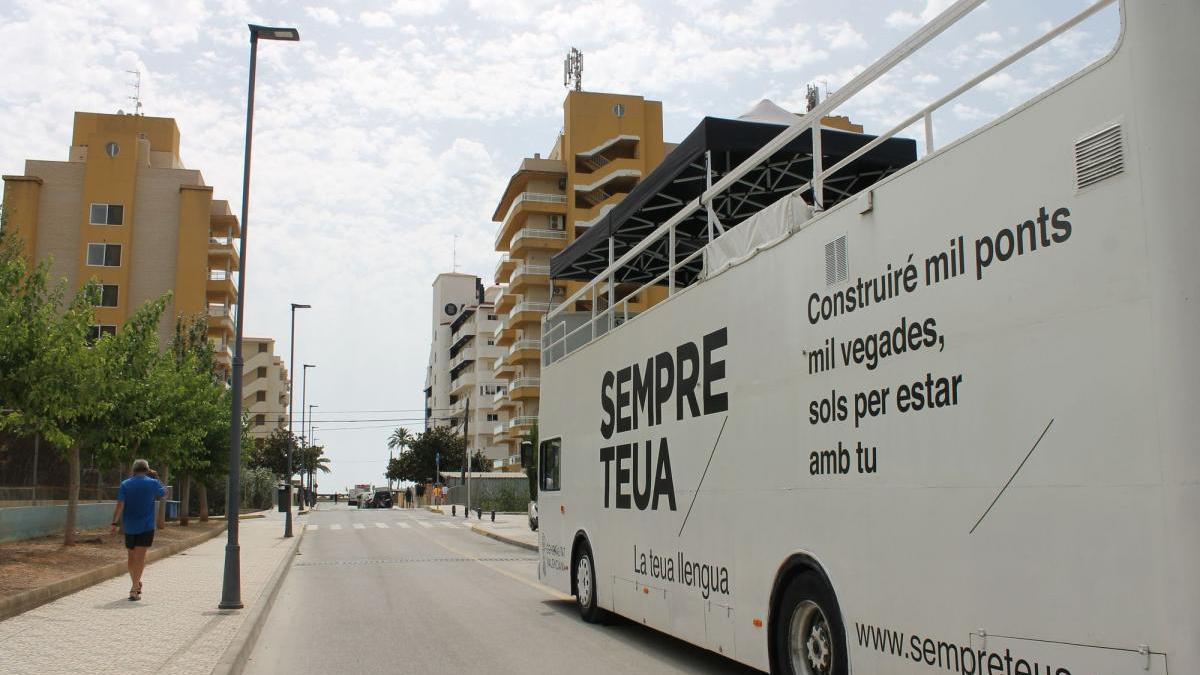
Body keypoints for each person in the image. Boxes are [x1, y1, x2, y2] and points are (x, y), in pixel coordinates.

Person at [110, 459, 166, 601]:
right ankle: (135, 588)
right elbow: (165, 493)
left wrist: (114, 523)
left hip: (129, 526)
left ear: (133, 470)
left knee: (131, 556)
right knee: (140, 557)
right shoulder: (153, 483)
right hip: (146, 526)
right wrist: (157, 478)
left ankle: (135, 584)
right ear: (147, 470)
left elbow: (120, 504)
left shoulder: (125, 484)